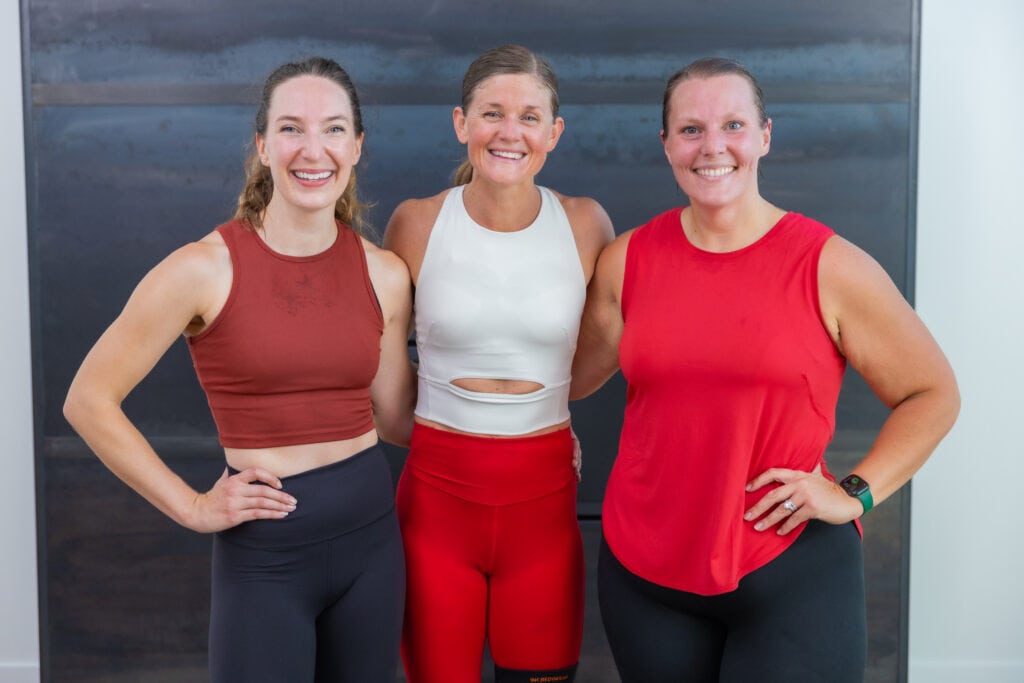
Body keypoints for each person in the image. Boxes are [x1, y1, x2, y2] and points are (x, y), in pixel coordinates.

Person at [570, 56, 960, 682]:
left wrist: (854, 494)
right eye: (691, 129)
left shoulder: (828, 264)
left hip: (790, 566)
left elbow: (932, 393)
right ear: (666, 144)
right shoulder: (627, 260)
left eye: (733, 125)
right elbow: (570, 378)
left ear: (765, 136)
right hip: (645, 573)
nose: (713, 146)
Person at [63, 56, 414, 682]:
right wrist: (192, 507)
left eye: (334, 129)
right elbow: (88, 399)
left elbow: (397, 420)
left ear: (357, 146)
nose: (313, 148)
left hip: (372, 546)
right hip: (265, 560)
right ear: (262, 144)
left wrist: (529, 427)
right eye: (290, 128)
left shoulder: (384, 273)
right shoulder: (203, 268)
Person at [383, 44, 613, 683]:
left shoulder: (586, 224)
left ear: (554, 133)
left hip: (542, 507)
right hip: (436, 506)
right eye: (492, 113)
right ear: (462, 123)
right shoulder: (417, 223)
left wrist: (549, 414)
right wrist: (436, 437)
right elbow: (382, 362)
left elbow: (598, 352)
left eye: (530, 117)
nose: (510, 132)